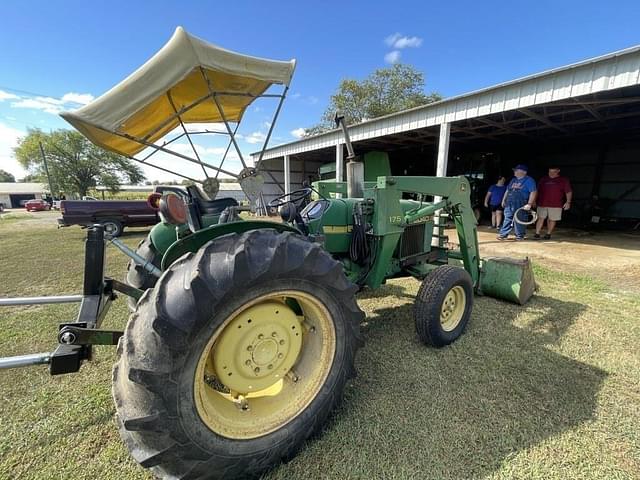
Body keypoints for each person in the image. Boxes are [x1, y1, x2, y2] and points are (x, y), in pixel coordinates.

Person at [497, 164, 537, 241]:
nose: (514, 172)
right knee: (507, 217)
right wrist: (503, 200)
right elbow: (508, 190)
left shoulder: (529, 180)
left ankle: (519, 236)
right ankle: (503, 235)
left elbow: (533, 192)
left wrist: (529, 203)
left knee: (520, 219)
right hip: (510, 202)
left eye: (516, 170)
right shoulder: (513, 180)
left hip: (521, 202)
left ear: (523, 172)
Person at [534, 166, 572, 240]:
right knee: (540, 218)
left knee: (552, 219)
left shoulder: (563, 180)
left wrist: (568, 202)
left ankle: (548, 234)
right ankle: (537, 233)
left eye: (553, 172)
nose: (551, 173)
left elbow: (568, 191)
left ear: (558, 171)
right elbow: (536, 191)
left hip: (556, 204)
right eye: (549, 171)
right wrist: (534, 200)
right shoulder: (543, 179)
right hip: (542, 203)